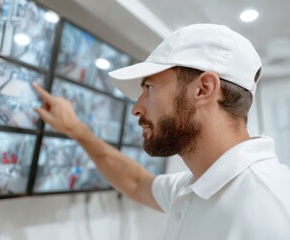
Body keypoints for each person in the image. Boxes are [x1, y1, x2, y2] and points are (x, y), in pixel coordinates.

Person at [33, 24, 290, 240]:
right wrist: (77, 130)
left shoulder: (271, 212)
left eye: (149, 88)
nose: (136, 108)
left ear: (203, 89)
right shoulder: (196, 186)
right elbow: (136, 182)